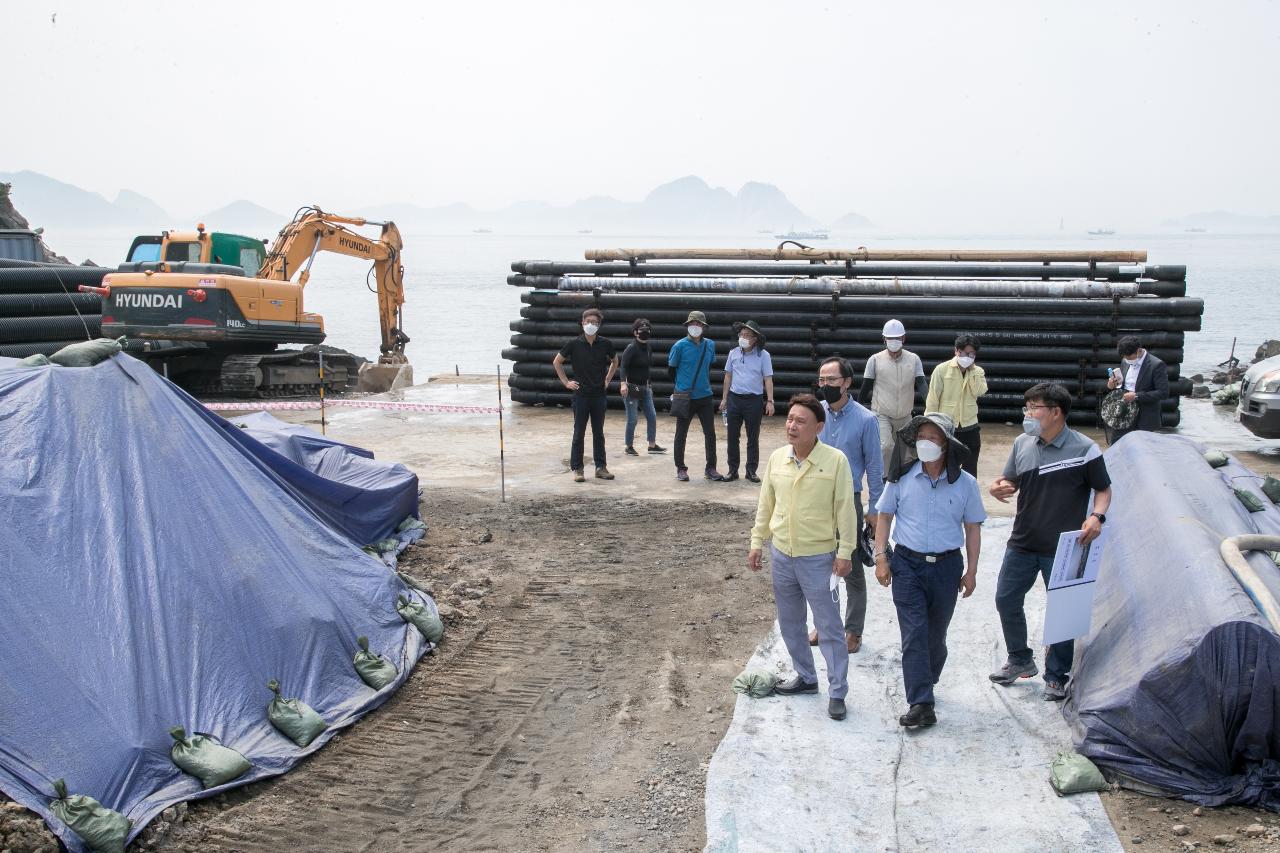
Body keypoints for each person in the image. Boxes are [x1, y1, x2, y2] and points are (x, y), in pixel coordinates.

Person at [988, 383, 1112, 701]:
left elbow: (1103, 489)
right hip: (1023, 539)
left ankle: (1056, 676)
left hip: (1065, 545)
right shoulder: (1022, 444)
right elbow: (1010, 481)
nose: (1027, 414)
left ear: (1055, 412)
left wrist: (1096, 517)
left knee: (1062, 612)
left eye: (1034, 408)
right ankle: (1019, 659)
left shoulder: (1085, 449)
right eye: (1026, 408)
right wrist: (999, 487)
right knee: (1006, 599)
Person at [748, 394, 858, 721]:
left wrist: (845, 552)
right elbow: (766, 505)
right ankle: (807, 678)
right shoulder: (777, 459)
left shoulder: (835, 461)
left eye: (801, 421)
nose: (792, 426)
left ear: (818, 427)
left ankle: (837, 691)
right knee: (791, 622)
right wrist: (757, 542)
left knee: (829, 627)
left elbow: (845, 510)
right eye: (790, 419)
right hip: (782, 555)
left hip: (819, 559)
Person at [873, 412, 986, 729]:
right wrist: (882, 557)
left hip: (948, 568)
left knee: (935, 637)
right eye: (921, 437)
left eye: (932, 439)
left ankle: (928, 675)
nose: (925, 444)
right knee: (914, 634)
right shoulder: (901, 478)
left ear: (946, 446)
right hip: (907, 565)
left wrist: (972, 571)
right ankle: (921, 702)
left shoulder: (966, 485)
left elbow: (973, 529)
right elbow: (884, 518)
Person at [809, 356, 883, 654]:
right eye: (822, 380)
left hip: (847, 501)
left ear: (847, 383)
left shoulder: (866, 420)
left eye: (831, 380)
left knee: (848, 566)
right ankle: (825, 624)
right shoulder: (817, 415)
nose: (825, 385)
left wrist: (875, 508)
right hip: (815, 498)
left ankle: (853, 630)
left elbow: (875, 468)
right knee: (818, 564)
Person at [552, 307, 618, 482]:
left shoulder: (605, 344)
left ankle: (601, 467)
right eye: (588, 321)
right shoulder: (573, 344)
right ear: (582, 323)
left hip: (599, 395)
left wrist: (608, 379)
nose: (591, 324)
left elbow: (615, 360)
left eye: (594, 322)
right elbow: (557, 362)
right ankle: (577, 469)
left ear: (599, 325)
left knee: (599, 432)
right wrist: (566, 382)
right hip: (580, 395)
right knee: (578, 432)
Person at [860, 318, 928, 476]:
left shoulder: (914, 359)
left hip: (905, 414)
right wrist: (857, 407)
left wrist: (931, 405)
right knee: (886, 447)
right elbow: (866, 386)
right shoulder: (875, 360)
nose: (894, 341)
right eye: (890, 338)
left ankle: (902, 477)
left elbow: (922, 384)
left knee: (907, 449)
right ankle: (885, 478)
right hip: (882, 413)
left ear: (903, 338)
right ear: (884, 339)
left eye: (897, 338)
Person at [668, 310, 724, 482]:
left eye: (699, 324)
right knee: (681, 434)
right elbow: (671, 370)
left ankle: (711, 468)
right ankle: (680, 468)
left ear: (704, 327)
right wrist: (681, 387)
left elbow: (708, 367)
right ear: (687, 326)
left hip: (705, 396)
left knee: (710, 433)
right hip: (685, 396)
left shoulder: (710, 345)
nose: (695, 327)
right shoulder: (679, 346)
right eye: (692, 324)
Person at [718, 321, 774, 482]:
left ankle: (751, 470)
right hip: (735, 399)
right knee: (732, 436)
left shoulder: (763, 355)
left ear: (755, 339)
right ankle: (732, 470)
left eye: (747, 335)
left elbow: (768, 379)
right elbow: (728, 376)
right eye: (741, 335)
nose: (743, 338)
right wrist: (724, 399)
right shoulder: (733, 353)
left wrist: (770, 401)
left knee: (752, 437)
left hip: (754, 400)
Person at [925, 333, 988, 478]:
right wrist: (930, 425)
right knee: (946, 467)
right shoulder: (941, 369)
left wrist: (972, 372)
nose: (969, 357)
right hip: (948, 427)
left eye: (972, 354)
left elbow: (980, 391)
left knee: (971, 469)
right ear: (957, 351)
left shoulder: (978, 371)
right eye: (966, 353)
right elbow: (933, 399)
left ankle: (967, 498)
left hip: (970, 426)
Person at [1105, 335, 1170, 442]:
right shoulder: (1125, 361)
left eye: (1129, 357)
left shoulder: (1157, 365)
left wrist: (1136, 396)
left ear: (1138, 351)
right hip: (1124, 412)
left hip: (1145, 416)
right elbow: (1123, 384)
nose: (1127, 360)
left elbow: (1163, 392)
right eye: (1125, 358)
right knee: (1117, 444)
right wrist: (1112, 385)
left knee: (1144, 449)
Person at [619, 318, 665, 456]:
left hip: (645, 388)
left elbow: (646, 368)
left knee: (652, 416)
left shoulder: (649, 348)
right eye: (641, 331)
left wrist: (649, 385)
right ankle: (629, 446)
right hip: (632, 388)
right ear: (635, 333)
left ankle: (652, 445)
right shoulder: (631, 348)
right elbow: (623, 367)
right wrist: (623, 384)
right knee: (632, 419)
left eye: (647, 330)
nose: (644, 333)